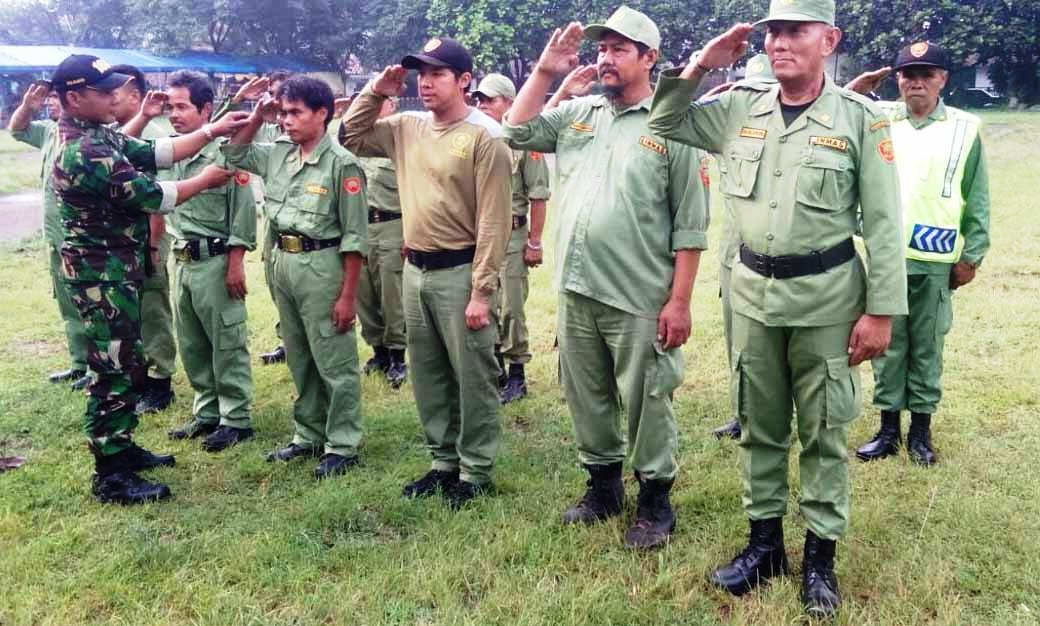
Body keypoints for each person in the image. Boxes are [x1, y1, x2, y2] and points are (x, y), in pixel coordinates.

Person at [646, 0, 908, 615]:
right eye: (771, 33)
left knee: (822, 431)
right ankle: (764, 546)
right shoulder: (739, 106)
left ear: (829, 39)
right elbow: (663, 119)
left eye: (795, 31)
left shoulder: (859, 119)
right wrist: (706, 62)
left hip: (827, 300)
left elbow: (887, 224)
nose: (779, 42)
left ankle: (820, 559)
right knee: (760, 427)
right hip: (753, 300)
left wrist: (881, 313)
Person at [504, 7, 710, 550]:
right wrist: (546, 71)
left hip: (640, 293)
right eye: (602, 49)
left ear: (650, 58)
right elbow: (516, 130)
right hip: (577, 288)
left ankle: (655, 500)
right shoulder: (578, 114)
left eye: (620, 49)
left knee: (647, 398)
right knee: (587, 394)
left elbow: (691, 224)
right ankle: (603, 486)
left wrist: (680, 302)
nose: (606, 58)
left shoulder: (673, 123)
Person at [50, 54, 249, 504]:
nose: (115, 97)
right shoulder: (84, 150)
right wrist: (206, 179)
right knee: (112, 370)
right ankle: (111, 472)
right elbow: (154, 195)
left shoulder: (98, 134)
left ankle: (123, 447)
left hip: (116, 273)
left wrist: (211, 131)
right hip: (101, 278)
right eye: (104, 92)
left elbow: (155, 153)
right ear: (75, 98)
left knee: (127, 361)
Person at [341, 37, 512, 509]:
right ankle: (443, 462)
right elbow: (350, 136)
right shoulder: (406, 127)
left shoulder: (485, 137)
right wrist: (376, 90)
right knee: (430, 372)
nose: (426, 82)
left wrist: (482, 291)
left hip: (460, 270)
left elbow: (494, 222)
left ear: (464, 81)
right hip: (414, 269)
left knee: (472, 374)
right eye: (422, 73)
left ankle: (475, 470)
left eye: (438, 74)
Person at [845, 42, 990, 467]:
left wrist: (973, 254)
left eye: (927, 74)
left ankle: (921, 433)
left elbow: (976, 197)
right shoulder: (880, 119)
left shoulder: (965, 128)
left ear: (944, 78)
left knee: (926, 346)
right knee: (887, 345)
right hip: (888, 257)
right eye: (908, 74)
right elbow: (835, 108)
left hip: (937, 261)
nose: (917, 82)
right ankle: (888, 430)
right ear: (898, 81)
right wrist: (858, 84)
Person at [224, 75, 368, 480]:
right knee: (300, 354)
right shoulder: (279, 154)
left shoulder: (342, 164)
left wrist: (348, 296)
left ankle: (343, 442)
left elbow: (356, 238)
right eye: (283, 112)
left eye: (295, 112)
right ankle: (309, 434)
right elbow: (233, 156)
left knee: (334, 360)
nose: (286, 120)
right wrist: (256, 116)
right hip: (282, 264)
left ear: (322, 114)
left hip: (321, 267)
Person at [153, 70, 258, 452]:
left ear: (206, 109)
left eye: (182, 106)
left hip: (215, 260)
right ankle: (207, 410)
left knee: (226, 341)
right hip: (183, 260)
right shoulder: (173, 151)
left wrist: (236, 263)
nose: (174, 114)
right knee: (193, 343)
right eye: (170, 106)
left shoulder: (228, 153)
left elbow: (243, 213)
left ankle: (236, 417)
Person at [709, 53, 778, 442]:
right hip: (732, 256)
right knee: (737, 342)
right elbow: (678, 116)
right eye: (748, 91)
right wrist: (722, 92)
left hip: (775, 259)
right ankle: (741, 413)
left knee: (776, 343)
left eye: (762, 91)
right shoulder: (728, 133)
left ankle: (775, 415)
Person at [472, 73, 551, 404]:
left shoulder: (524, 141)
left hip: (514, 233)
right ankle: (495, 371)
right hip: (481, 235)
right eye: (479, 100)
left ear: (508, 102)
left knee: (512, 308)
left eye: (490, 99)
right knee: (484, 303)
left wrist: (534, 241)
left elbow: (539, 195)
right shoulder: (477, 138)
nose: (482, 105)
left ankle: (517, 371)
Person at [7, 85, 90, 390]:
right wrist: (28, 106)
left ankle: (98, 367)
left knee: (90, 303)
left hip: (81, 237)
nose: (51, 103)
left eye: (57, 98)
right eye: (49, 98)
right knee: (68, 304)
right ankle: (80, 364)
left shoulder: (88, 136)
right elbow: (16, 130)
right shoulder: (48, 132)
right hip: (57, 236)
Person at [111, 64, 179, 414]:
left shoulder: (149, 135)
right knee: (133, 312)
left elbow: (156, 197)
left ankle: (160, 382)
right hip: (127, 242)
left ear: (135, 95)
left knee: (153, 312)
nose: (109, 98)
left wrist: (153, 245)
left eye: (115, 92)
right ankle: (139, 375)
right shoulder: (118, 131)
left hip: (148, 237)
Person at [349, 94, 409, 388]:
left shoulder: (399, 142)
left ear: (392, 106)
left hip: (392, 226)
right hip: (360, 227)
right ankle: (379, 352)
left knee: (391, 294)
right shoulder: (355, 147)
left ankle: (399, 355)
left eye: (379, 103)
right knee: (364, 293)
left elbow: (415, 193)